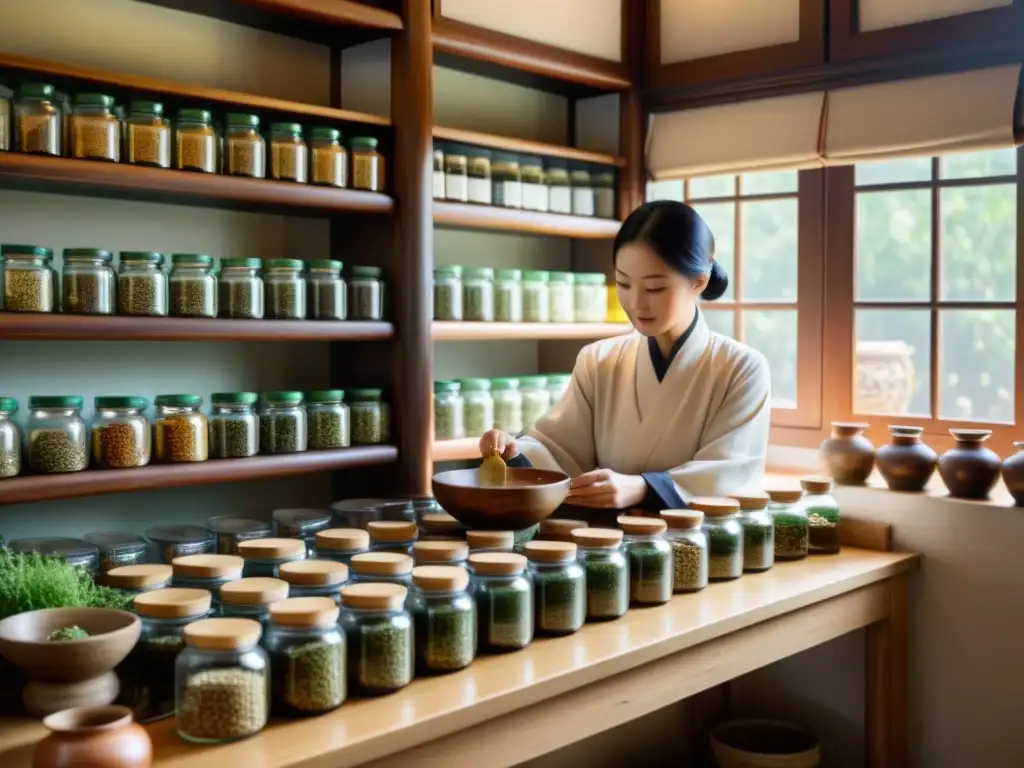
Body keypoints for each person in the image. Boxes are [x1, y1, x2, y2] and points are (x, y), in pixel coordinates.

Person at [478, 200, 771, 517]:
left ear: (698, 282)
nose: (636, 303)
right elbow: (558, 449)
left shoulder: (742, 369)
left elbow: (729, 473)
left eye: (655, 288)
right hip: (599, 545)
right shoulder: (599, 359)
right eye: (624, 283)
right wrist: (514, 450)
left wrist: (645, 487)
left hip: (690, 550)